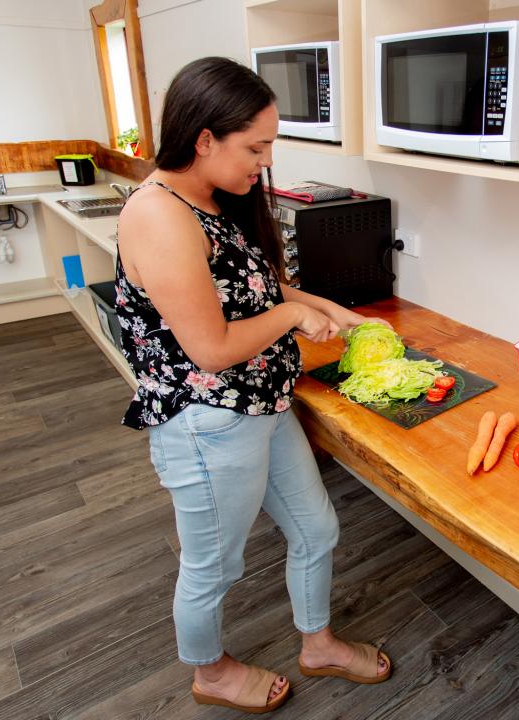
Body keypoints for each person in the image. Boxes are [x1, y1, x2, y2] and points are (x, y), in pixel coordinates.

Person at [114, 56, 391, 714]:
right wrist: (297, 317)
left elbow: (258, 289)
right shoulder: (158, 214)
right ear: (205, 139)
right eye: (255, 146)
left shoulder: (211, 199)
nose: (264, 162)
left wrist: (335, 312)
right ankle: (209, 673)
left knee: (317, 530)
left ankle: (317, 643)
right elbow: (209, 346)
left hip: (262, 406)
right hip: (208, 422)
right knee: (214, 563)